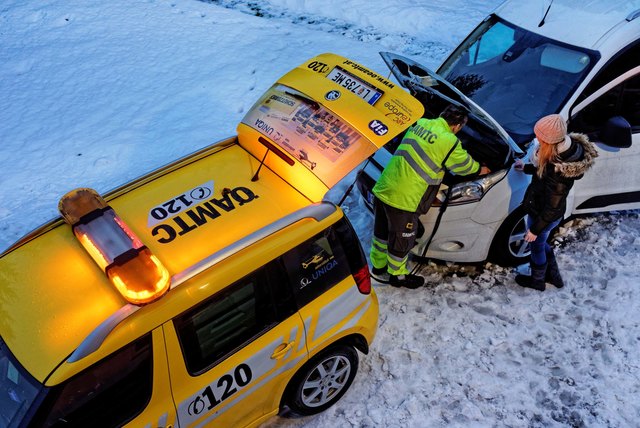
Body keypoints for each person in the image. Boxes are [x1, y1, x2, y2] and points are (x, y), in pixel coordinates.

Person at [370, 105, 490, 289]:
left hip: (385, 187)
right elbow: (463, 167)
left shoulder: (421, 122)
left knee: (381, 232)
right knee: (402, 239)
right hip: (404, 198)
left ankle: (378, 267)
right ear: (457, 126)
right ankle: (398, 276)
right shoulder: (449, 140)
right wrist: (480, 169)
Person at [514, 114, 597, 291]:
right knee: (542, 244)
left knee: (537, 246)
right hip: (546, 213)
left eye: (541, 138)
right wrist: (527, 168)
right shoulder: (560, 155)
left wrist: (535, 229)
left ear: (550, 142)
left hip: (543, 215)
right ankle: (554, 277)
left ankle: (537, 281)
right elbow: (543, 174)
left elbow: (552, 206)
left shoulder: (557, 174)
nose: (537, 140)